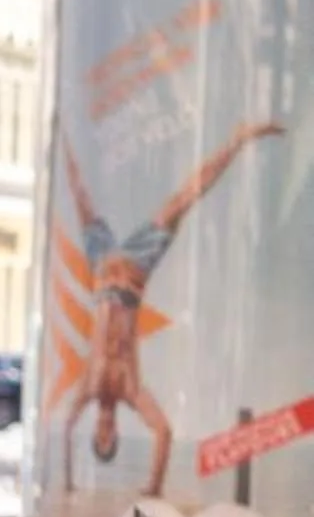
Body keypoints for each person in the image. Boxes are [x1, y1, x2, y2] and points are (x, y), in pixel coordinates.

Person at [50, 120, 281, 497]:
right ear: (117, 434)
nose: (106, 432)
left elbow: (67, 429)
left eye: (101, 437)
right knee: (184, 199)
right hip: (133, 272)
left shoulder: (88, 389)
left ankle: (61, 134)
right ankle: (238, 139)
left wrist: (68, 478)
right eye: (111, 440)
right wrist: (154, 486)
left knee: (80, 194)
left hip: (104, 268)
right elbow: (164, 431)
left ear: (97, 431)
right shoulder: (129, 389)